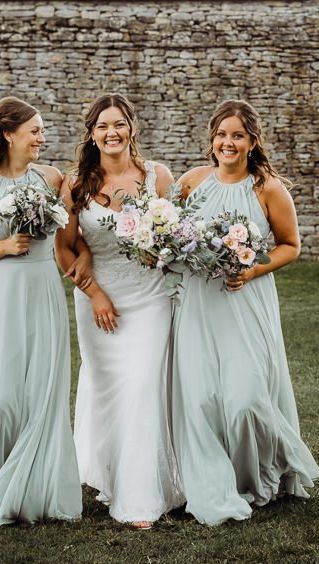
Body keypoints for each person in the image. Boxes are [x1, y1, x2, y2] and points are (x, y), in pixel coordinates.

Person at [172, 99, 319, 525]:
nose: (228, 142)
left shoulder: (268, 188)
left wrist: (253, 269)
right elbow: (169, 229)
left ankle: (258, 475)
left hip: (246, 301)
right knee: (201, 397)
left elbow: (291, 246)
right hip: (199, 303)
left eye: (237, 135)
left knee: (245, 399)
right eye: (221, 135)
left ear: (253, 141)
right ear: (212, 140)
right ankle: (210, 479)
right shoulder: (190, 183)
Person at [55, 93, 183, 529]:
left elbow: (178, 236)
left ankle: (140, 498)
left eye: (119, 124)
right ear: (91, 134)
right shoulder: (75, 183)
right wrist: (94, 293)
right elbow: (66, 248)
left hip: (150, 296)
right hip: (99, 299)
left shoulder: (158, 178)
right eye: (102, 126)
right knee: (109, 391)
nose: (112, 133)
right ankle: (112, 475)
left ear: (132, 128)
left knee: (144, 385)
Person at [0, 96, 82, 524]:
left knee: (43, 393)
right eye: (34, 131)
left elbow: (75, 236)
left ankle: (41, 489)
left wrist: (83, 259)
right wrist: (3, 246)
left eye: (43, 130)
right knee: (5, 395)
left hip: (44, 292)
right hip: (3, 294)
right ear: (8, 134)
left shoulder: (51, 178)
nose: (42, 138)